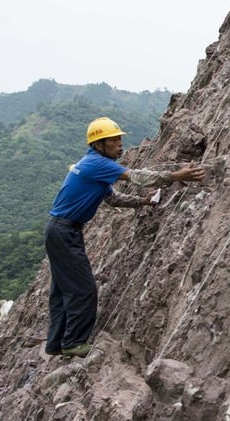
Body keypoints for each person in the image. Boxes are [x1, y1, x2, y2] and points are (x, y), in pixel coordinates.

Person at [44, 117, 205, 357]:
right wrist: (175, 176)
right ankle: (74, 343)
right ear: (99, 144)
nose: (120, 145)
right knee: (83, 290)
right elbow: (138, 177)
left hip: (59, 230)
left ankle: (56, 344)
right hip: (65, 232)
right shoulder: (97, 164)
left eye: (120, 139)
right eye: (114, 140)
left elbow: (112, 198)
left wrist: (142, 201)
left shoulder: (94, 165)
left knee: (62, 290)